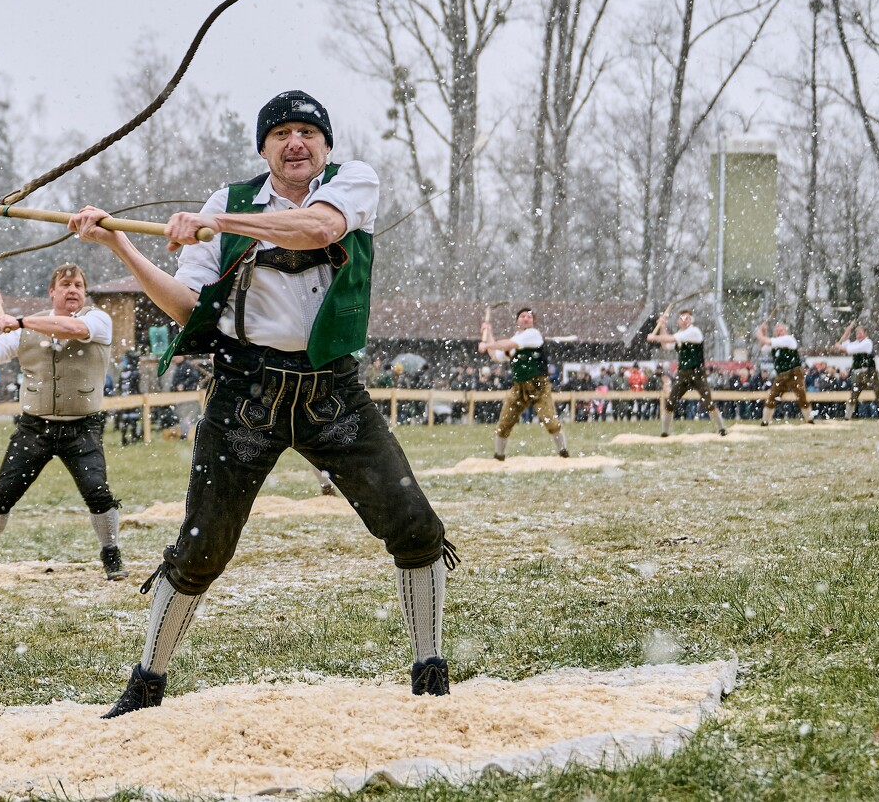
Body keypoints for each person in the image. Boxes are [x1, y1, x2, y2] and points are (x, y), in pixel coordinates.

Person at [68, 89, 456, 716]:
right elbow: (189, 307)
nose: (295, 142)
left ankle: (430, 672)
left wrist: (220, 226)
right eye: (281, 134)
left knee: (415, 526)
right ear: (264, 148)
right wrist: (120, 245)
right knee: (202, 547)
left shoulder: (351, 182)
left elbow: (320, 228)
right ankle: (146, 683)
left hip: (333, 389)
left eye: (307, 132)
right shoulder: (227, 201)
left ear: (325, 146)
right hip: (245, 393)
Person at [0, 263, 126, 583]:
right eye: (66, 284)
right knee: (2, 493)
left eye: (78, 285)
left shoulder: (97, 319)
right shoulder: (25, 329)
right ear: (52, 292)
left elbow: (73, 330)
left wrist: (19, 320)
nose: (73, 290)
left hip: (82, 426)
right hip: (35, 426)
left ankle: (111, 554)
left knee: (98, 493)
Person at [478, 307, 570, 460]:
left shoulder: (532, 335)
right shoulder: (516, 340)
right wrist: (489, 333)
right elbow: (496, 356)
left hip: (538, 385)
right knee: (504, 423)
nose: (526, 318)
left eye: (529, 317)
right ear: (517, 321)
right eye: (523, 316)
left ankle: (563, 453)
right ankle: (498, 456)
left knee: (550, 421)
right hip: (519, 387)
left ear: (532, 322)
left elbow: (506, 345)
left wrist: (487, 345)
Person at [646, 311, 727, 436]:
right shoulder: (680, 334)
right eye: (681, 318)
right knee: (670, 402)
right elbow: (666, 345)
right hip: (683, 374)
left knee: (708, 402)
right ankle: (664, 432)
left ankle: (721, 429)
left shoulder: (694, 332)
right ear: (678, 321)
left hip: (697, 373)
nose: (684, 321)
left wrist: (654, 337)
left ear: (691, 320)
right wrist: (662, 326)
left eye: (687, 318)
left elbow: (671, 338)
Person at [755, 321, 813, 426]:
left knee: (801, 395)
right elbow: (762, 347)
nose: (779, 332)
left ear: (785, 331)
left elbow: (766, 341)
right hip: (781, 374)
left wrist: (759, 334)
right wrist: (763, 332)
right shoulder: (775, 342)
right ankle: (765, 421)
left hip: (794, 372)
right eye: (777, 331)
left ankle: (809, 419)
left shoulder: (788, 339)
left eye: (780, 330)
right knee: (772, 396)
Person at [837, 323, 879, 422]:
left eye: (860, 332)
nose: (858, 334)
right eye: (856, 333)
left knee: (878, 395)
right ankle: (847, 418)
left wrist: (840, 347)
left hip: (869, 372)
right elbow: (845, 344)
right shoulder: (856, 343)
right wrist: (847, 332)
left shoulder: (867, 343)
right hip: (858, 373)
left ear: (865, 333)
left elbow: (848, 349)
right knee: (853, 396)